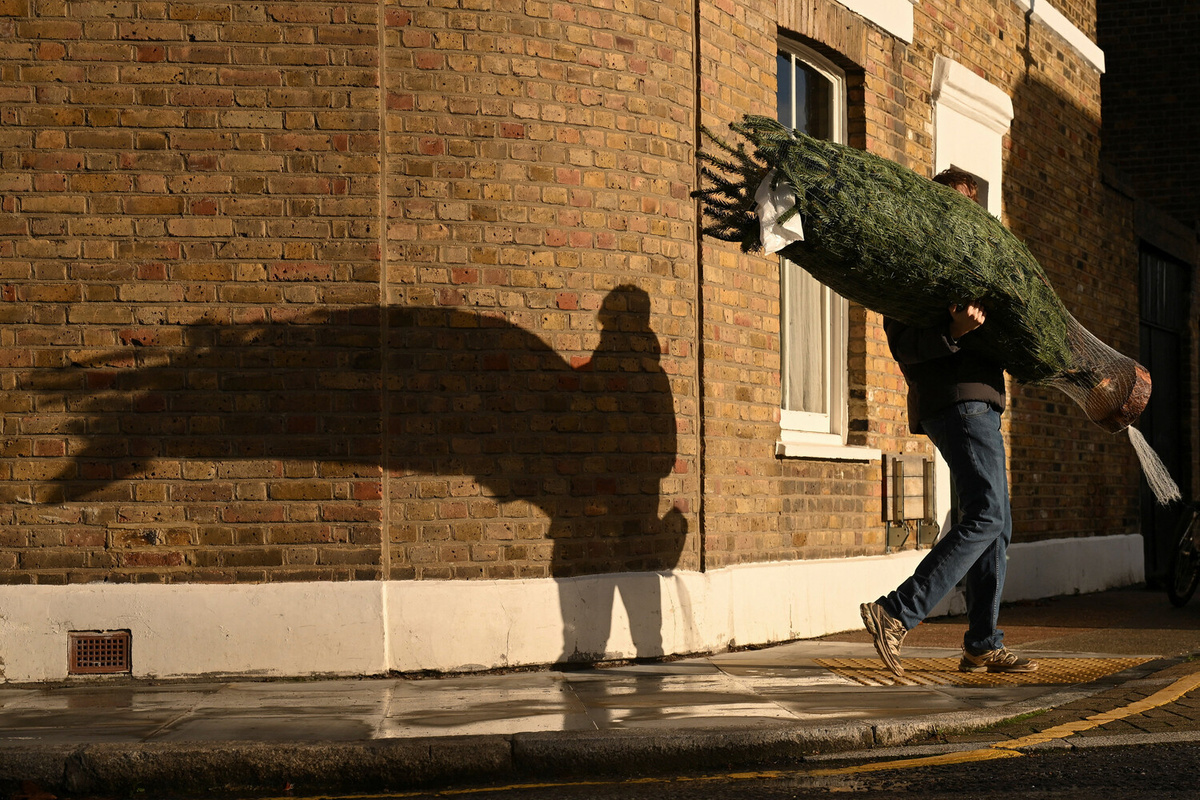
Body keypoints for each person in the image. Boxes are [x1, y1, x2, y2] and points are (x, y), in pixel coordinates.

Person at [859, 167, 1037, 677]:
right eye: (955, 204)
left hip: (980, 403)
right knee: (988, 515)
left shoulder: (967, 262)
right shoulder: (917, 261)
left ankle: (982, 643)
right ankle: (897, 611)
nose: (965, 216)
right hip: (958, 403)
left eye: (970, 208)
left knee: (994, 523)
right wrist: (954, 331)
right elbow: (904, 345)